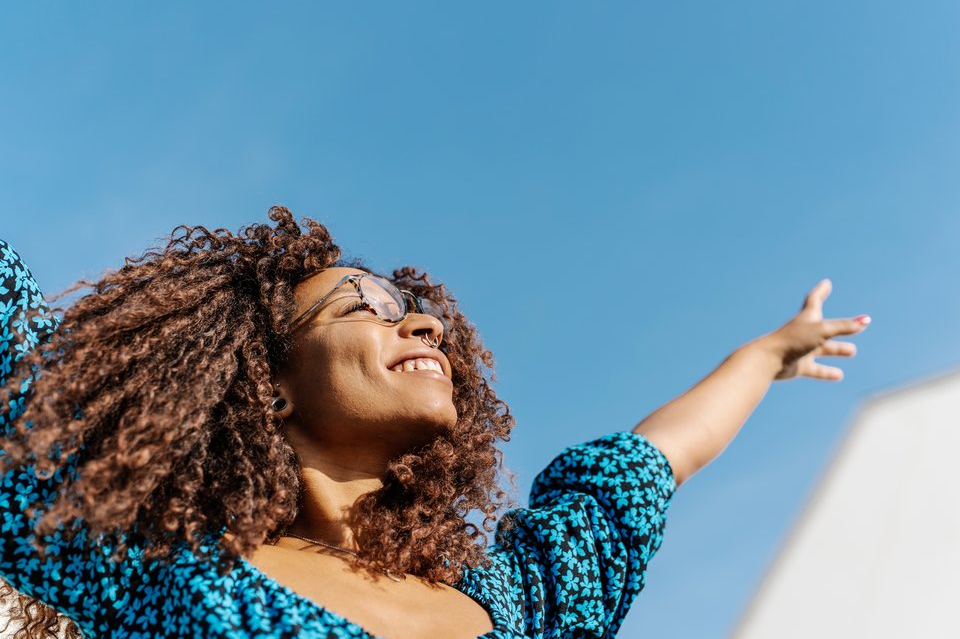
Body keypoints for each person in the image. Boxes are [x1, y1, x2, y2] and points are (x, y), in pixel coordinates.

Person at [0, 207, 869, 639]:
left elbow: (638, 470)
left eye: (414, 309)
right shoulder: (154, 566)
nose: (424, 324)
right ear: (270, 386)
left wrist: (763, 356)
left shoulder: (520, 604)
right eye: (365, 308)